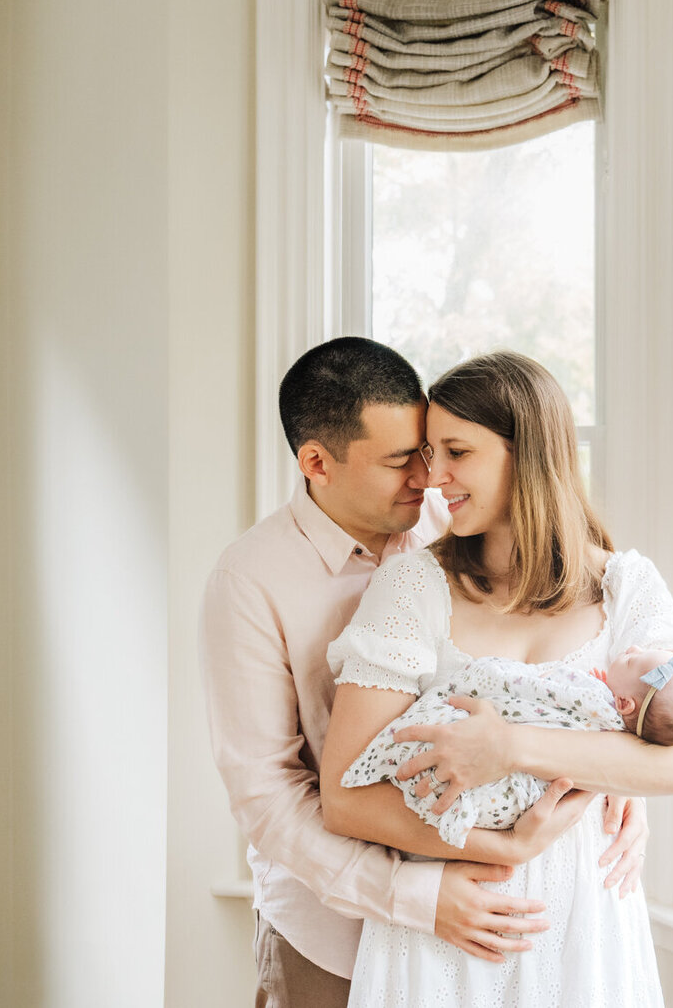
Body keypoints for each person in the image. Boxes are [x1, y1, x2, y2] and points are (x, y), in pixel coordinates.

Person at [200, 337, 643, 1007]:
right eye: (401, 460)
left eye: (430, 451)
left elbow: (553, 667)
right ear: (316, 462)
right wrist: (419, 896)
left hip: (485, 933)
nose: (427, 476)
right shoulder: (249, 581)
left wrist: (609, 775)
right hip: (333, 930)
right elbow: (267, 795)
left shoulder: (461, 519)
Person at [320, 350, 673, 1007]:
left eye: (456, 451)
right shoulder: (413, 587)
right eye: (426, 451)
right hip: (451, 932)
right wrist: (504, 842)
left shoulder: (625, 588)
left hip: (586, 935)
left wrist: (508, 748)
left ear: (524, 452)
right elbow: (345, 796)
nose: (432, 475)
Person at [342, 644, 673, 848]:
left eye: (631, 658)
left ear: (625, 705)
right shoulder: (619, 725)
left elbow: (534, 686)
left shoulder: (592, 696)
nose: (629, 648)